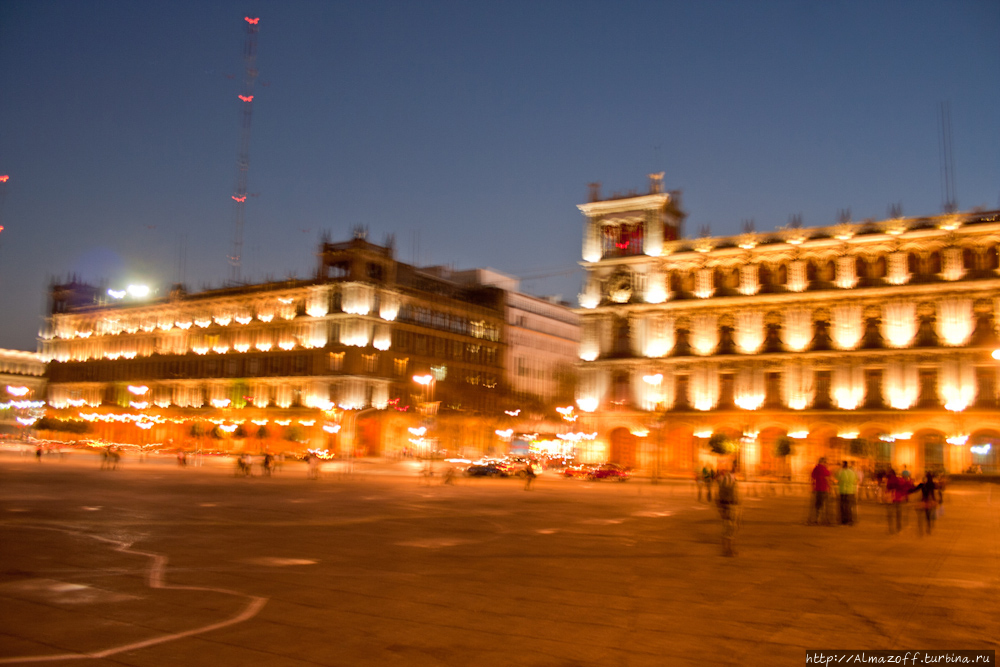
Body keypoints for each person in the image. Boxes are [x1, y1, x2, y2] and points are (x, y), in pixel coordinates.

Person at [716, 469, 740, 556]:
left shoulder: (728, 483)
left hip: (732, 508)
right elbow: (719, 499)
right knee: (728, 531)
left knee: (731, 530)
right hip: (728, 507)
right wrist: (722, 510)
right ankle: (727, 550)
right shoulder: (725, 484)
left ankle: (730, 550)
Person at [908, 472, 938, 536]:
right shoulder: (932, 484)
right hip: (929, 501)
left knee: (920, 516)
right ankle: (928, 527)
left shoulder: (923, 485)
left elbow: (914, 490)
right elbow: (933, 493)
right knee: (928, 515)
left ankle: (920, 530)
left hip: (923, 501)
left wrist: (908, 490)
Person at [885, 468, 912, 534]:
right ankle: (898, 528)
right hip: (898, 498)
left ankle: (891, 529)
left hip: (890, 499)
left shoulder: (889, 480)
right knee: (898, 514)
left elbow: (887, 489)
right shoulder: (899, 480)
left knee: (890, 515)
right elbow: (905, 486)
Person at [808, 457, 832, 525]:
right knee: (824, 504)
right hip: (824, 489)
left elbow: (812, 478)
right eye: (825, 462)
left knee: (818, 504)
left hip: (817, 488)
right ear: (823, 462)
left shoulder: (815, 468)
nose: (826, 463)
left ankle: (817, 518)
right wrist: (829, 487)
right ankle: (824, 519)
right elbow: (827, 478)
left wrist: (812, 487)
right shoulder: (824, 469)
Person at [834, 460, 857, 525]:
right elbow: (856, 480)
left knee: (843, 506)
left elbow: (836, 480)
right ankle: (850, 520)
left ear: (842, 465)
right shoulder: (852, 472)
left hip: (843, 491)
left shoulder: (840, 472)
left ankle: (844, 520)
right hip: (851, 491)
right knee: (849, 507)